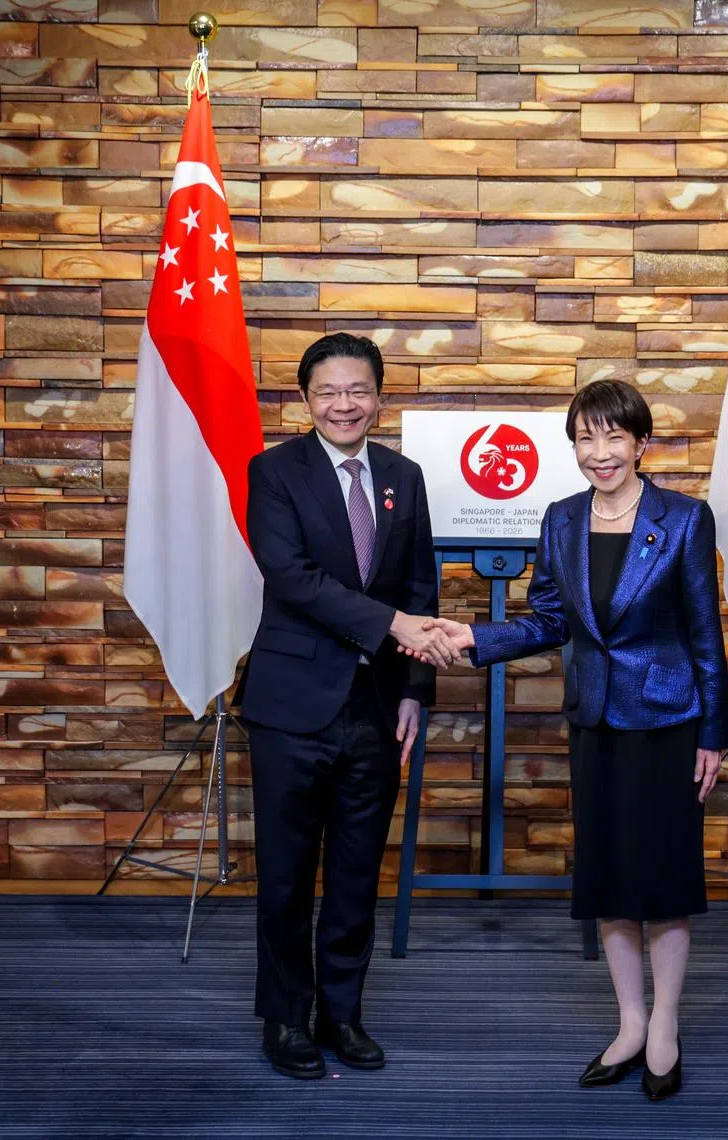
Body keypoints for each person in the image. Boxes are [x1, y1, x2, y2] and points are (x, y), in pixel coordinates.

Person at [418, 380, 728, 1101]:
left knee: (665, 881)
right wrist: (475, 636)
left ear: (641, 442)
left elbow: (705, 635)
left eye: (614, 437)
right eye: (585, 438)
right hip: (594, 721)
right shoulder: (560, 521)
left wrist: (713, 731)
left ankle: (665, 1029)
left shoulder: (684, 519)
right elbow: (548, 621)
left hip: (668, 722)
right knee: (610, 880)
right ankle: (628, 1022)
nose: (600, 453)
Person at [238, 332, 458, 1080]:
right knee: (288, 873)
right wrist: (392, 626)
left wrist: (417, 691)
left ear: (379, 396)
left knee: (358, 872)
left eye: (357, 390)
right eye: (328, 391)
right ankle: (284, 1019)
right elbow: (291, 577)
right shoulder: (272, 472)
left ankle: (342, 1014)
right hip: (290, 707)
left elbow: (421, 587)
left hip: (377, 708)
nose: (343, 404)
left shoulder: (405, 476)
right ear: (305, 399)